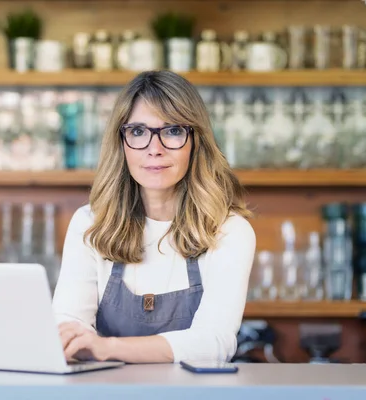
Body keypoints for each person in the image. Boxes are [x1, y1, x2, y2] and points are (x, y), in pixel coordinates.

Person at [52, 70, 256, 364]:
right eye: (138, 132)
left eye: (173, 131)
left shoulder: (229, 231)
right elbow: (68, 326)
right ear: (120, 142)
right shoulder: (90, 224)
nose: (154, 149)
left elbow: (214, 342)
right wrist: (75, 342)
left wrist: (106, 348)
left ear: (195, 142)